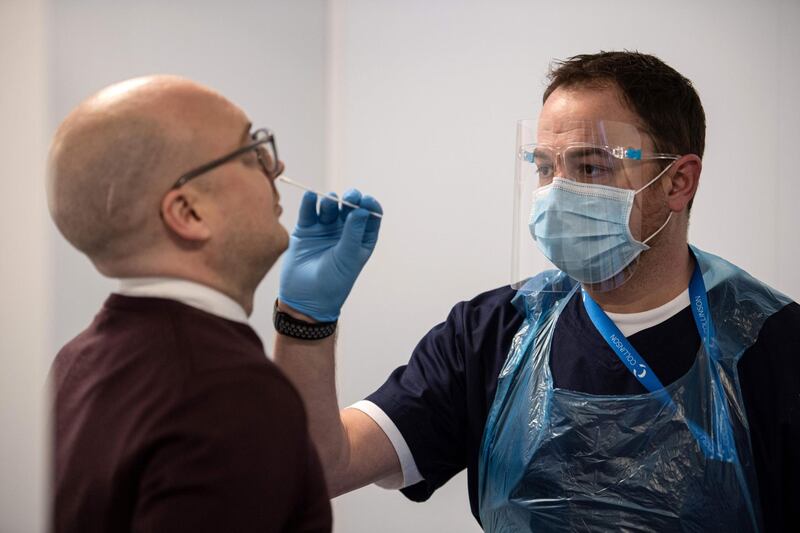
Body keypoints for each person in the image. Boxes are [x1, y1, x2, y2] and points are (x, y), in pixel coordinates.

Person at [274, 52, 800, 532]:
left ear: (677, 181)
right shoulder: (492, 334)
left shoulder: (770, 343)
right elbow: (319, 466)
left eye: (590, 166)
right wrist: (305, 320)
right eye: (546, 168)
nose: (558, 193)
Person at [47, 75, 382, 532]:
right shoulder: (225, 389)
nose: (277, 167)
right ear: (188, 213)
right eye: (252, 153)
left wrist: (305, 319)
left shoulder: (76, 362)